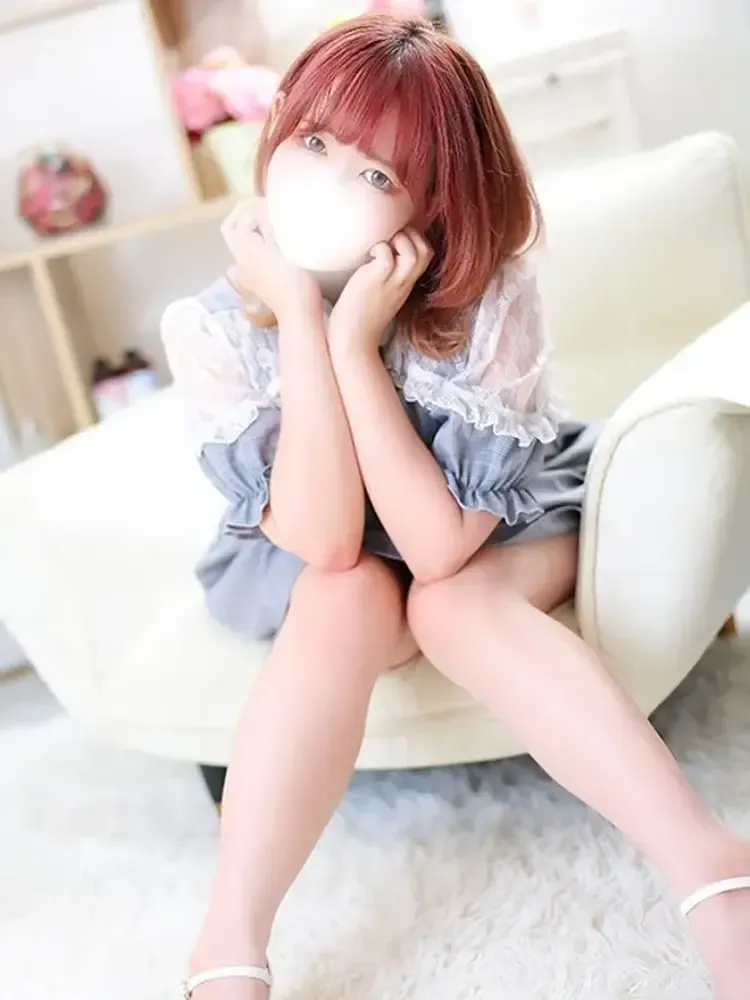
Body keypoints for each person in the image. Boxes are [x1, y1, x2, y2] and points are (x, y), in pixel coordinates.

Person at [162, 15, 750, 1000]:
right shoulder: (214, 328)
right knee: (345, 591)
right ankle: (229, 937)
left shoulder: (485, 297)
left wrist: (358, 345)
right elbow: (324, 539)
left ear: (431, 201)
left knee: (451, 601)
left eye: (376, 172)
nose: (328, 179)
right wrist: (303, 316)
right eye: (315, 140)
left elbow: (439, 546)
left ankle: (713, 871)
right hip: (336, 546)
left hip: (488, 525)